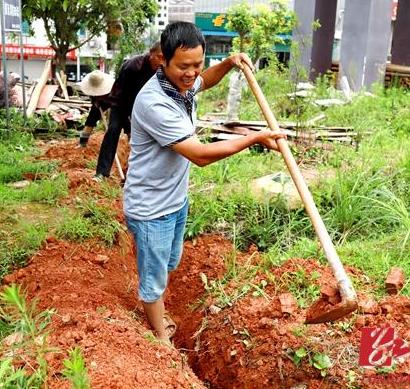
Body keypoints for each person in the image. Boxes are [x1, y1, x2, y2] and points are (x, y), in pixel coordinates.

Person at [123, 21, 284, 343]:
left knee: (169, 262)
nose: (192, 73)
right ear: (163, 60)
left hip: (175, 200)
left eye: (197, 64)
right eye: (184, 66)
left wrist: (229, 63)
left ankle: (160, 306)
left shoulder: (181, 85)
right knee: (153, 278)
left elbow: (204, 81)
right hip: (151, 208)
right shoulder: (155, 102)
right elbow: (200, 155)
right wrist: (253, 138)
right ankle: (161, 338)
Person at [91, 42, 162, 181]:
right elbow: (124, 99)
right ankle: (102, 173)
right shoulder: (133, 67)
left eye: (165, 58)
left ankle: (140, 175)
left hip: (145, 105)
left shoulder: (164, 69)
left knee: (149, 136)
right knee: (113, 130)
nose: (161, 61)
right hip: (121, 102)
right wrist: (128, 128)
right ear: (151, 53)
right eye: (159, 56)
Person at [77, 70, 115, 148]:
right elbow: (92, 97)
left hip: (114, 102)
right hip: (99, 103)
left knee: (120, 123)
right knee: (91, 119)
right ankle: (82, 143)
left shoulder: (113, 90)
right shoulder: (91, 87)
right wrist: (95, 102)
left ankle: (130, 140)